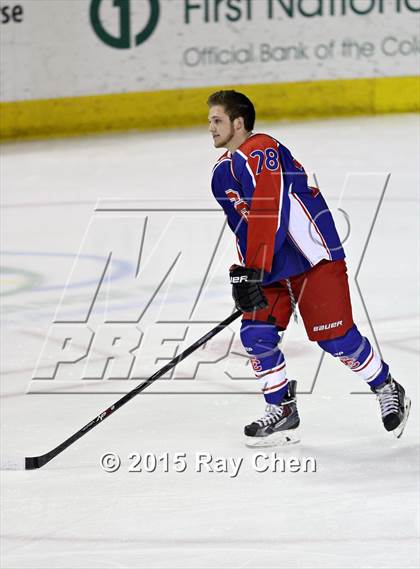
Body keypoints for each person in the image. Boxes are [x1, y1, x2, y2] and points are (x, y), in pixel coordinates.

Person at [207, 89, 411, 447]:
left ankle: (386, 385)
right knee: (256, 336)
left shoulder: (262, 150)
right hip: (268, 264)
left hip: (311, 255)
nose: (210, 127)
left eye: (217, 119)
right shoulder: (221, 174)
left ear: (239, 123)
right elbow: (243, 224)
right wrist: (245, 272)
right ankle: (281, 408)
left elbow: (272, 209)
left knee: (335, 338)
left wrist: (254, 266)